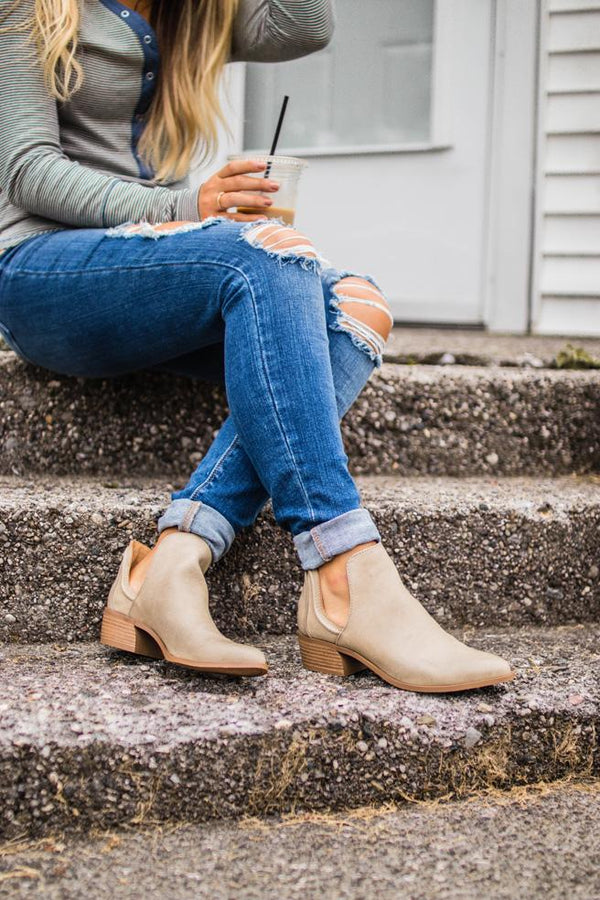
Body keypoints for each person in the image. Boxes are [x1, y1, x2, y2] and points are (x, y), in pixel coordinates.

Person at [0, 0, 514, 691]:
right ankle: (344, 574)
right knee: (269, 253)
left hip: (154, 267)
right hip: (41, 271)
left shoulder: (198, 13)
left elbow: (308, 24)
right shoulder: (34, 8)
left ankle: (175, 559)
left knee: (357, 307)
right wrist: (187, 208)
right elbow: (28, 170)